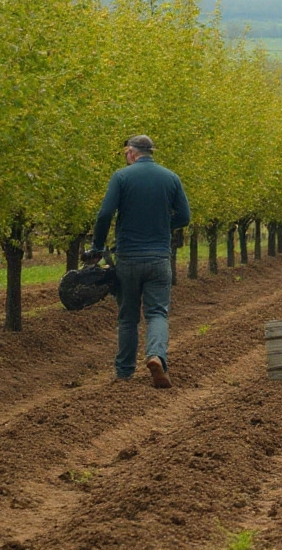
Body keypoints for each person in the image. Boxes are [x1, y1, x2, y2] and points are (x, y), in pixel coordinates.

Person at [88, 135, 191, 387]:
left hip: (128, 258)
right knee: (157, 313)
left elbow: (104, 214)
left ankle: (124, 372)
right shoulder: (171, 177)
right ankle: (156, 356)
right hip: (158, 258)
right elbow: (185, 216)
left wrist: (97, 247)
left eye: (126, 152)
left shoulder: (121, 177)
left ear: (132, 153)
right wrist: (162, 225)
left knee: (128, 317)